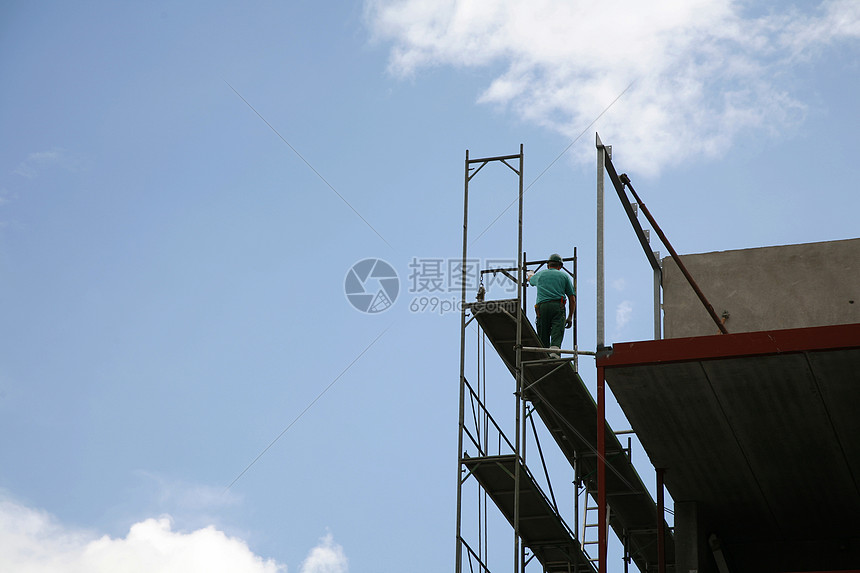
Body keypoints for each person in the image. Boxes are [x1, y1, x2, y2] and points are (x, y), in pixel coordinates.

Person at [527, 253, 576, 357]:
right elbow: (572, 299)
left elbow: (530, 280)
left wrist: (530, 274)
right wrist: (570, 317)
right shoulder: (564, 276)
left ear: (548, 265)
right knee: (557, 329)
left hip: (542, 307)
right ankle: (554, 353)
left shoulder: (540, 275)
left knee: (543, 330)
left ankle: (543, 354)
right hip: (557, 306)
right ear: (560, 266)